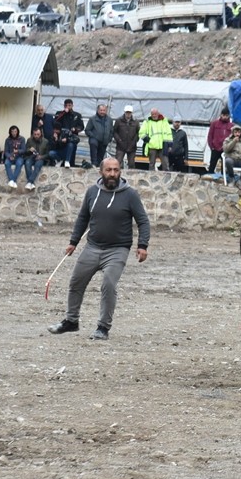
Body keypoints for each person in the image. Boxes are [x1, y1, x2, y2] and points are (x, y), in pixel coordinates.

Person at [48, 158, 150, 341]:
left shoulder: (130, 195)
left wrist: (142, 245)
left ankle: (103, 327)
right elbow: (82, 218)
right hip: (93, 246)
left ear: (120, 172)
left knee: (108, 284)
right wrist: (73, 242)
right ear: (101, 172)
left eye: (116, 170)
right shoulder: (92, 192)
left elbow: (143, 221)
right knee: (76, 282)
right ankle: (71, 321)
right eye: (109, 170)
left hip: (117, 250)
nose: (112, 174)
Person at [52, 98, 83, 168]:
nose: (68, 107)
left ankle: (70, 163)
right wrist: (63, 113)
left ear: (72, 105)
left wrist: (75, 129)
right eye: (66, 105)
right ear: (64, 106)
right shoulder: (59, 113)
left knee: (72, 149)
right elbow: (55, 122)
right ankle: (60, 161)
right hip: (61, 136)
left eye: (69, 105)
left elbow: (81, 127)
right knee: (58, 150)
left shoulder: (77, 115)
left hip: (72, 137)